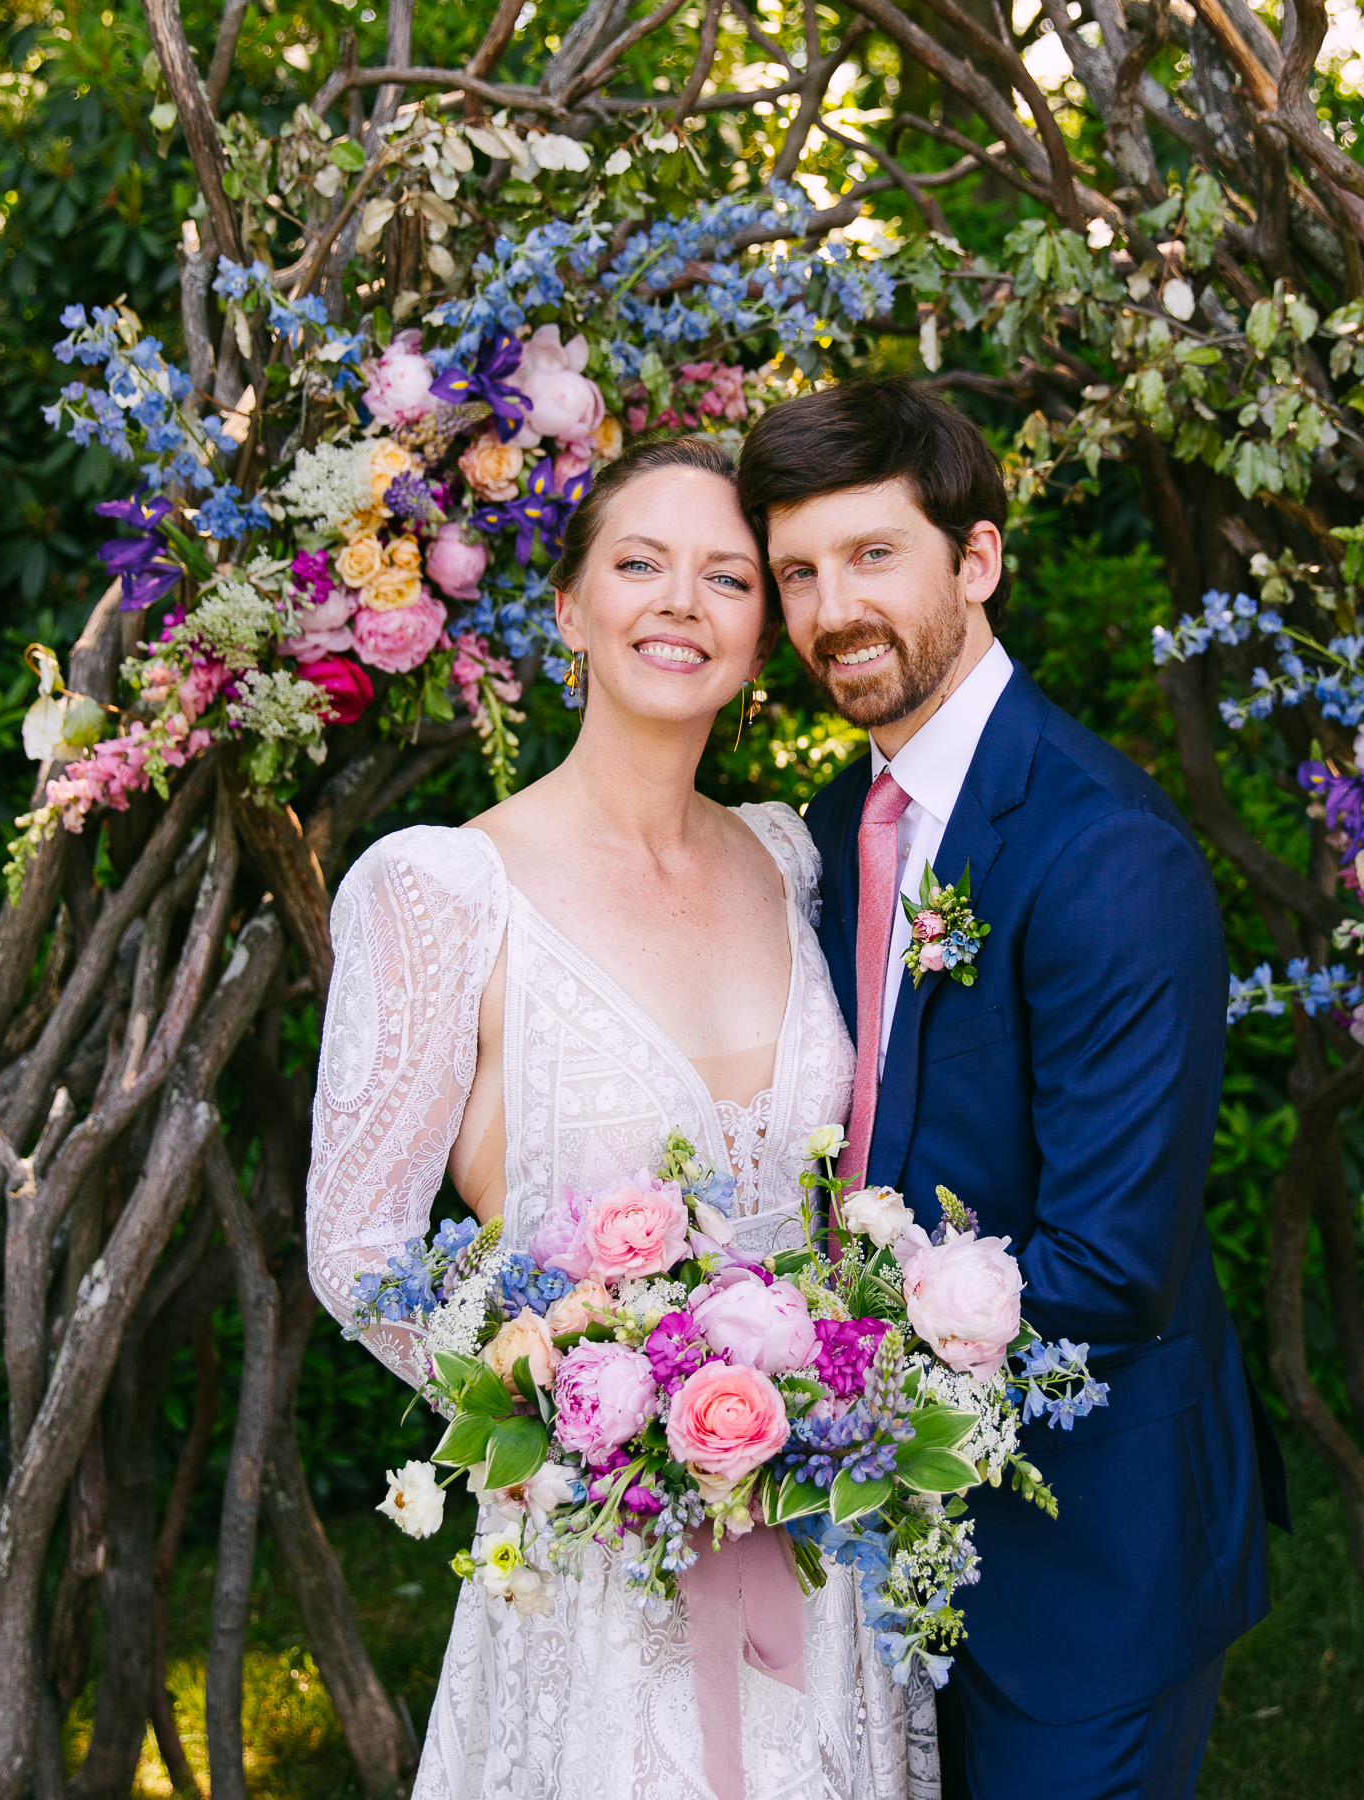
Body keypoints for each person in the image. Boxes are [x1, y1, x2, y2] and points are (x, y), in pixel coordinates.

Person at [305, 435, 934, 1800]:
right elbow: (356, 1247)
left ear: (762, 630)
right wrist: (587, 1414)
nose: (679, 603)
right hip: (595, 1555)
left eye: (725, 577)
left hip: (812, 1540)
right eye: (639, 564)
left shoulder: (788, 859)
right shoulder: (438, 891)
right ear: (568, 610)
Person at [735, 379, 1290, 1800]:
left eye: (873, 557)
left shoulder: (1104, 849)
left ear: (975, 562)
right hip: (876, 1541)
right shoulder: (833, 831)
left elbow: (1111, 1266)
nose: (830, 611)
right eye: (799, 572)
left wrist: (812, 1374)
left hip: (1086, 1565)